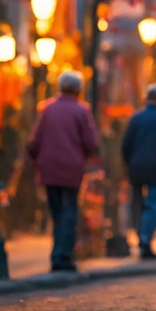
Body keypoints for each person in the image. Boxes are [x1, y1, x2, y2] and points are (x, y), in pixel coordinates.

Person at [27, 70, 101, 272]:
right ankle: (63, 256)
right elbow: (91, 142)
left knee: (57, 212)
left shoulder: (47, 109)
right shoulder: (81, 111)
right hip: (72, 169)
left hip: (49, 169)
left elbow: (34, 142)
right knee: (69, 212)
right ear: (78, 89)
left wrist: (38, 162)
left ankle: (57, 254)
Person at [121, 83, 156, 259]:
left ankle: (139, 235)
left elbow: (126, 145)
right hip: (155, 168)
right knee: (152, 204)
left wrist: (128, 163)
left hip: (136, 167)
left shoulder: (135, 118)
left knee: (136, 203)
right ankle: (145, 239)